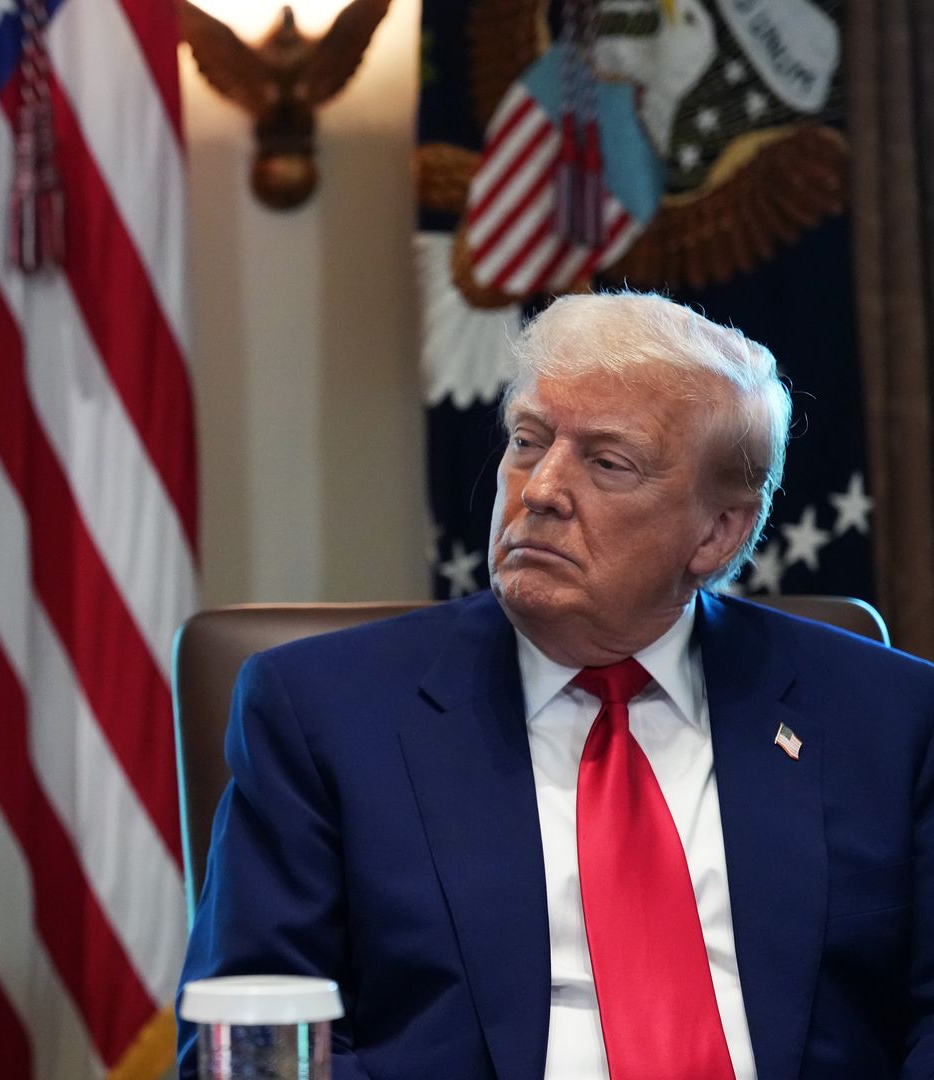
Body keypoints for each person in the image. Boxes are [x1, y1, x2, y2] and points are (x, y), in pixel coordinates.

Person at [178, 292, 934, 1079]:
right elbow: (254, 1048)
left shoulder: (888, 720)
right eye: (528, 442)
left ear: (718, 532)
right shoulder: (321, 714)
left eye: (608, 462)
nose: (539, 489)